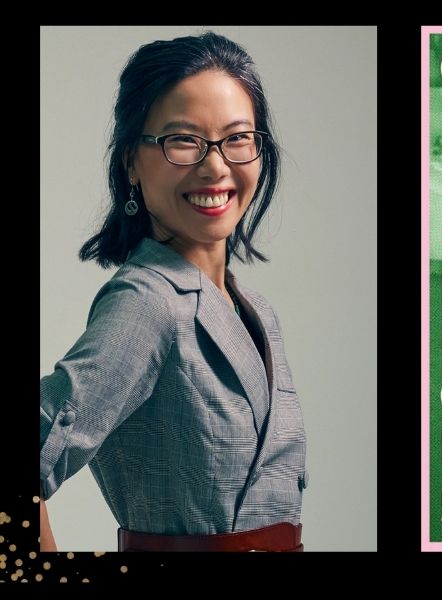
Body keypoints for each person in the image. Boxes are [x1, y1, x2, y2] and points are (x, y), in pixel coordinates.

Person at [39, 31, 307, 552]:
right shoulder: (148, 301)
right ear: (131, 163)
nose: (215, 166)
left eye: (237, 138)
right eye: (182, 140)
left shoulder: (257, 312)